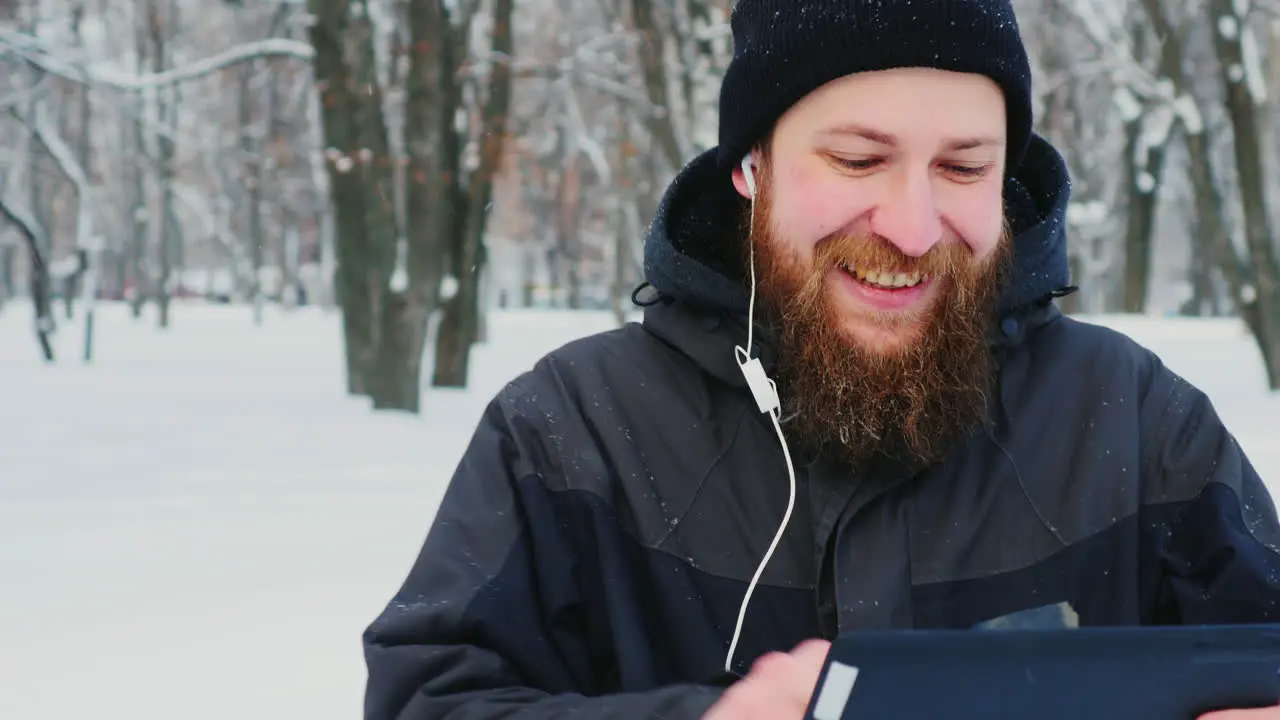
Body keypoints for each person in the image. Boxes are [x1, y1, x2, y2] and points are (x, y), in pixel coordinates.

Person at [362, 1, 1280, 718]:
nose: (914, 228)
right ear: (750, 167)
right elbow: (431, 701)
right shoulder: (574, 433)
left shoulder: (1134, 419)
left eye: (963, 169)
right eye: (855, 159)